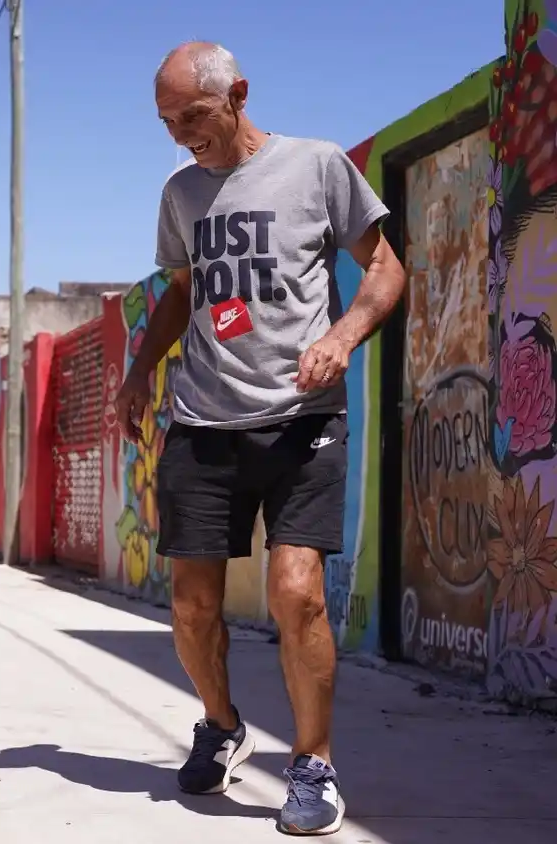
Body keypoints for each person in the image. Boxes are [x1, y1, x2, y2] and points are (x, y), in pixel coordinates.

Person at [113, 42, 406, 836]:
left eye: (194, 116)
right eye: (168, 123)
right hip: (203, 421)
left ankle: (312, 764)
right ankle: (222, 725)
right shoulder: (180, 193)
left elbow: (386, 270)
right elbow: (183, 292)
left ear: (238, 94)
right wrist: (140, 372)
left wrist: (341, 338)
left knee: (297, 592)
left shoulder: (317, 167)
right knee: (190, 606)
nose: (182, 135)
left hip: (302, 419)